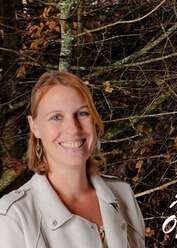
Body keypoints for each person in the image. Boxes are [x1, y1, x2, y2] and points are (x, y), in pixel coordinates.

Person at [0, 71, 146, 247]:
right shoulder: (13, 216)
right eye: (56, 117)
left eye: (82, 113)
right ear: (34, 126)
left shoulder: (123, 194)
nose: (73, 129)